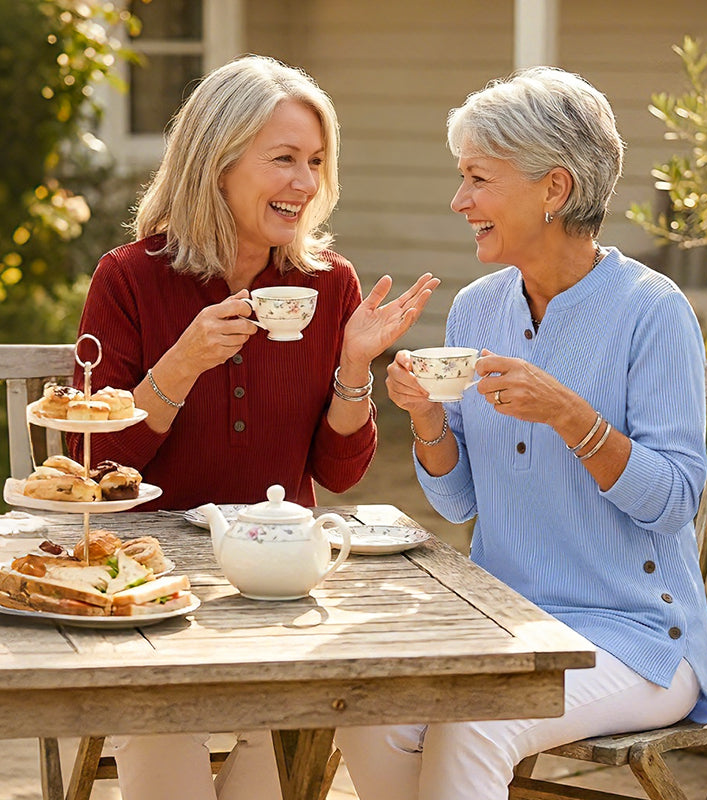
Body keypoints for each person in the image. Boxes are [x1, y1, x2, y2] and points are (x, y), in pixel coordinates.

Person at [334, 67, 707, 800]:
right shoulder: (478, 309)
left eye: (479, 178)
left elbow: (673, 501)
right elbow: (457, 505)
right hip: (508, 624)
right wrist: (424, 419)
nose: (460, 202)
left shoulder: (653, 311)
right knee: (370, 712)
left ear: (555, 188)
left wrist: (573, 416)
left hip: (636, 638)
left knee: (472, 727)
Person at [66, 55, 438, 800]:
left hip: (277, 583)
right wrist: (181, 365)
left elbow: (338, 473)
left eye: (315, 161)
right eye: (283, 160)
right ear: (217, 164)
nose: (304, 182)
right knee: (160, 722)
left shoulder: (327, 284)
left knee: (316, 714)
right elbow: (93, 461)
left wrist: (356, 366)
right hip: (150, 585)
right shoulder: (130, 278)